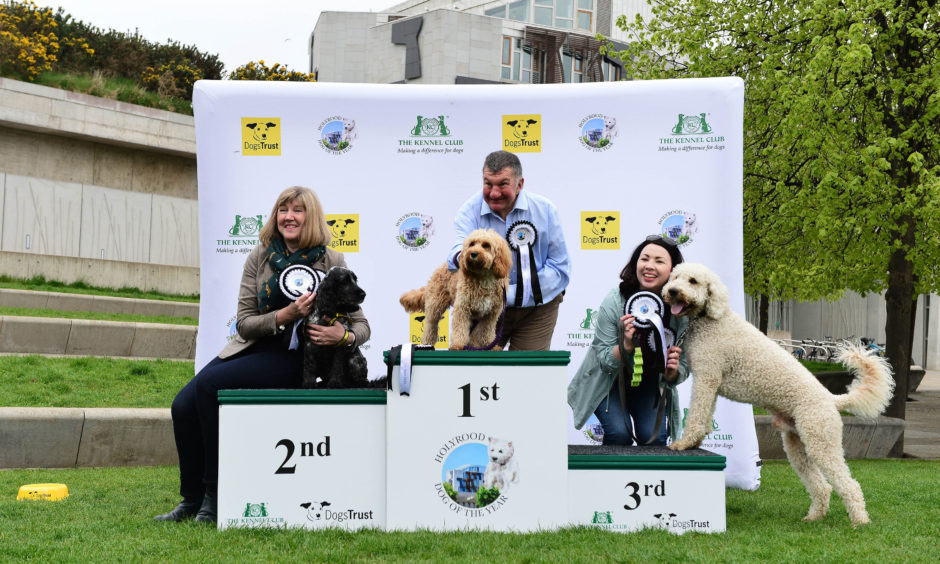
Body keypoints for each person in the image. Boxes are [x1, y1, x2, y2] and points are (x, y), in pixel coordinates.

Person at [154, 186, 370, 524]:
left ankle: (214, 494)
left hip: (298, 359)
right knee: (182, 404)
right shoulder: (259, 257)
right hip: (257, 346)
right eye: (283, 210)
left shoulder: (333, 261)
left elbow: (361, 325)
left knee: (209, 387)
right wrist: (284, 316)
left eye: (297, 210)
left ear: (310, 217)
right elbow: (243, 324)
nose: (289, 217)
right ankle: (190, 499)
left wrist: (343, 335)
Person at [567, 235, 688, 446]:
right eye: (644, 259)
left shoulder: (681, 309)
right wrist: (626, 346)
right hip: (609, 382)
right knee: (619, 434)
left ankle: (651, 481)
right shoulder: (615, 300)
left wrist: (673, 371)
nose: (649, 266)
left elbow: (684, 366)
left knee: (655, 439)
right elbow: (604, 359)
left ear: (674, 271)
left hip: (649, 385)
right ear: (636, 263)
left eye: (659, 261)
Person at [447, 150, 570, 350]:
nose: (494, 193)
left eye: (503, 184)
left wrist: (508, 295)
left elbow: (559, 268)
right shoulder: (468, 211)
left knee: (527, 373)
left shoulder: (545, 210)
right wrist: (465, 257)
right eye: (488, 184)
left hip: (537, 309)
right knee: (475, 372)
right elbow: (455, 253)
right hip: (482, 306)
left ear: (519, 184)